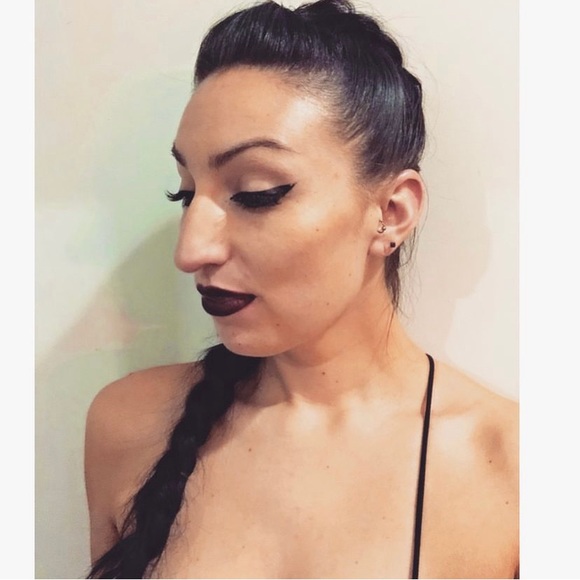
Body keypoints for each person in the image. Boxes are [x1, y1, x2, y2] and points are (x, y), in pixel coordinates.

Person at [84, 0, 519, 578]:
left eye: (257, 192)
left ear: (391, 211)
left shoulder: (516, 472)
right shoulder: (130, 428)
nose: (190, 251)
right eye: (185, 193)